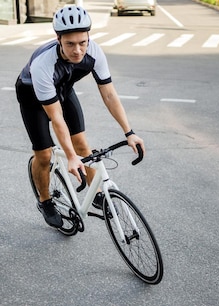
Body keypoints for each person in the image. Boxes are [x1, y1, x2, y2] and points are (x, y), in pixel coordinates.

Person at [15, 6, 145, 228]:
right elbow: (56, 119)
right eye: (70, 44)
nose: (77, 50)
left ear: (88, 37)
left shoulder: (94, 52)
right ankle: (45, 201)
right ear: (58, 39)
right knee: (44, 155)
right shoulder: (43, 64)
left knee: (83, 145)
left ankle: (94, 192)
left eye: (82, 42)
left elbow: (109, 94)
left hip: (64, 90)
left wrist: (129, 132)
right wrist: (70, 156)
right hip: (32, 97)